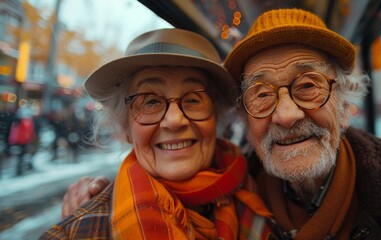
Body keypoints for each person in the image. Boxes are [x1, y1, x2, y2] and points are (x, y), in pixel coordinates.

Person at [61, 9, 381, 239]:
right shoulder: (86, 226)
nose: (285, 115)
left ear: (345, 104)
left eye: (307, 86)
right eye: (262, 93)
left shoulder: (242, 199)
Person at [40, 28, 276, 239]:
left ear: (216, 119)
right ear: (126, 128)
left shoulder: (264, 190)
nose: (174, 120)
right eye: (150, 101)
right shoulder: (76, 233)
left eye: (194, 99)